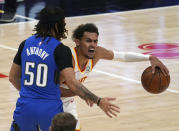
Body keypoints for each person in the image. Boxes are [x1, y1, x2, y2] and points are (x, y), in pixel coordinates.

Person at [9, 7, 120, 131]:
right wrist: (98, 101)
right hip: (50, 109)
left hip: (25, 107)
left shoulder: (25, 44)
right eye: (63, 22)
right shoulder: (61, 50)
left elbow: (13, 77)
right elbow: (73, 83)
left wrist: (31, 94)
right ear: (57, 25)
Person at [60, 23, 169, 131]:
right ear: (77, 42)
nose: (93, 45)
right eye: (88, 41)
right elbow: (49, 90)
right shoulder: (69, 60)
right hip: (52, 101)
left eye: (95, 41)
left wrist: (149, 57)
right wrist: (82, 93)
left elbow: (122, 56)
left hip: (69, 103)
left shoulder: (97, 53)